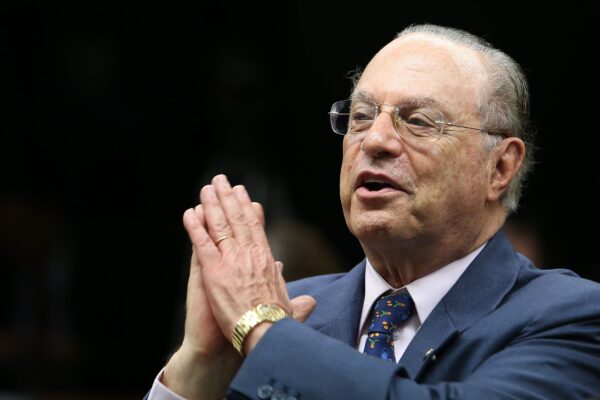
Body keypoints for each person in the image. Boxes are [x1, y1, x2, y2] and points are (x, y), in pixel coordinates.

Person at [146, 24, 600, 399]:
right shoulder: (289, 310)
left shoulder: (572, 316)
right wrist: (198, 369)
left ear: (499, 167)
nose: (375, 140)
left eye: (418, 121)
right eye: (361, 117)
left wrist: (264, 331)